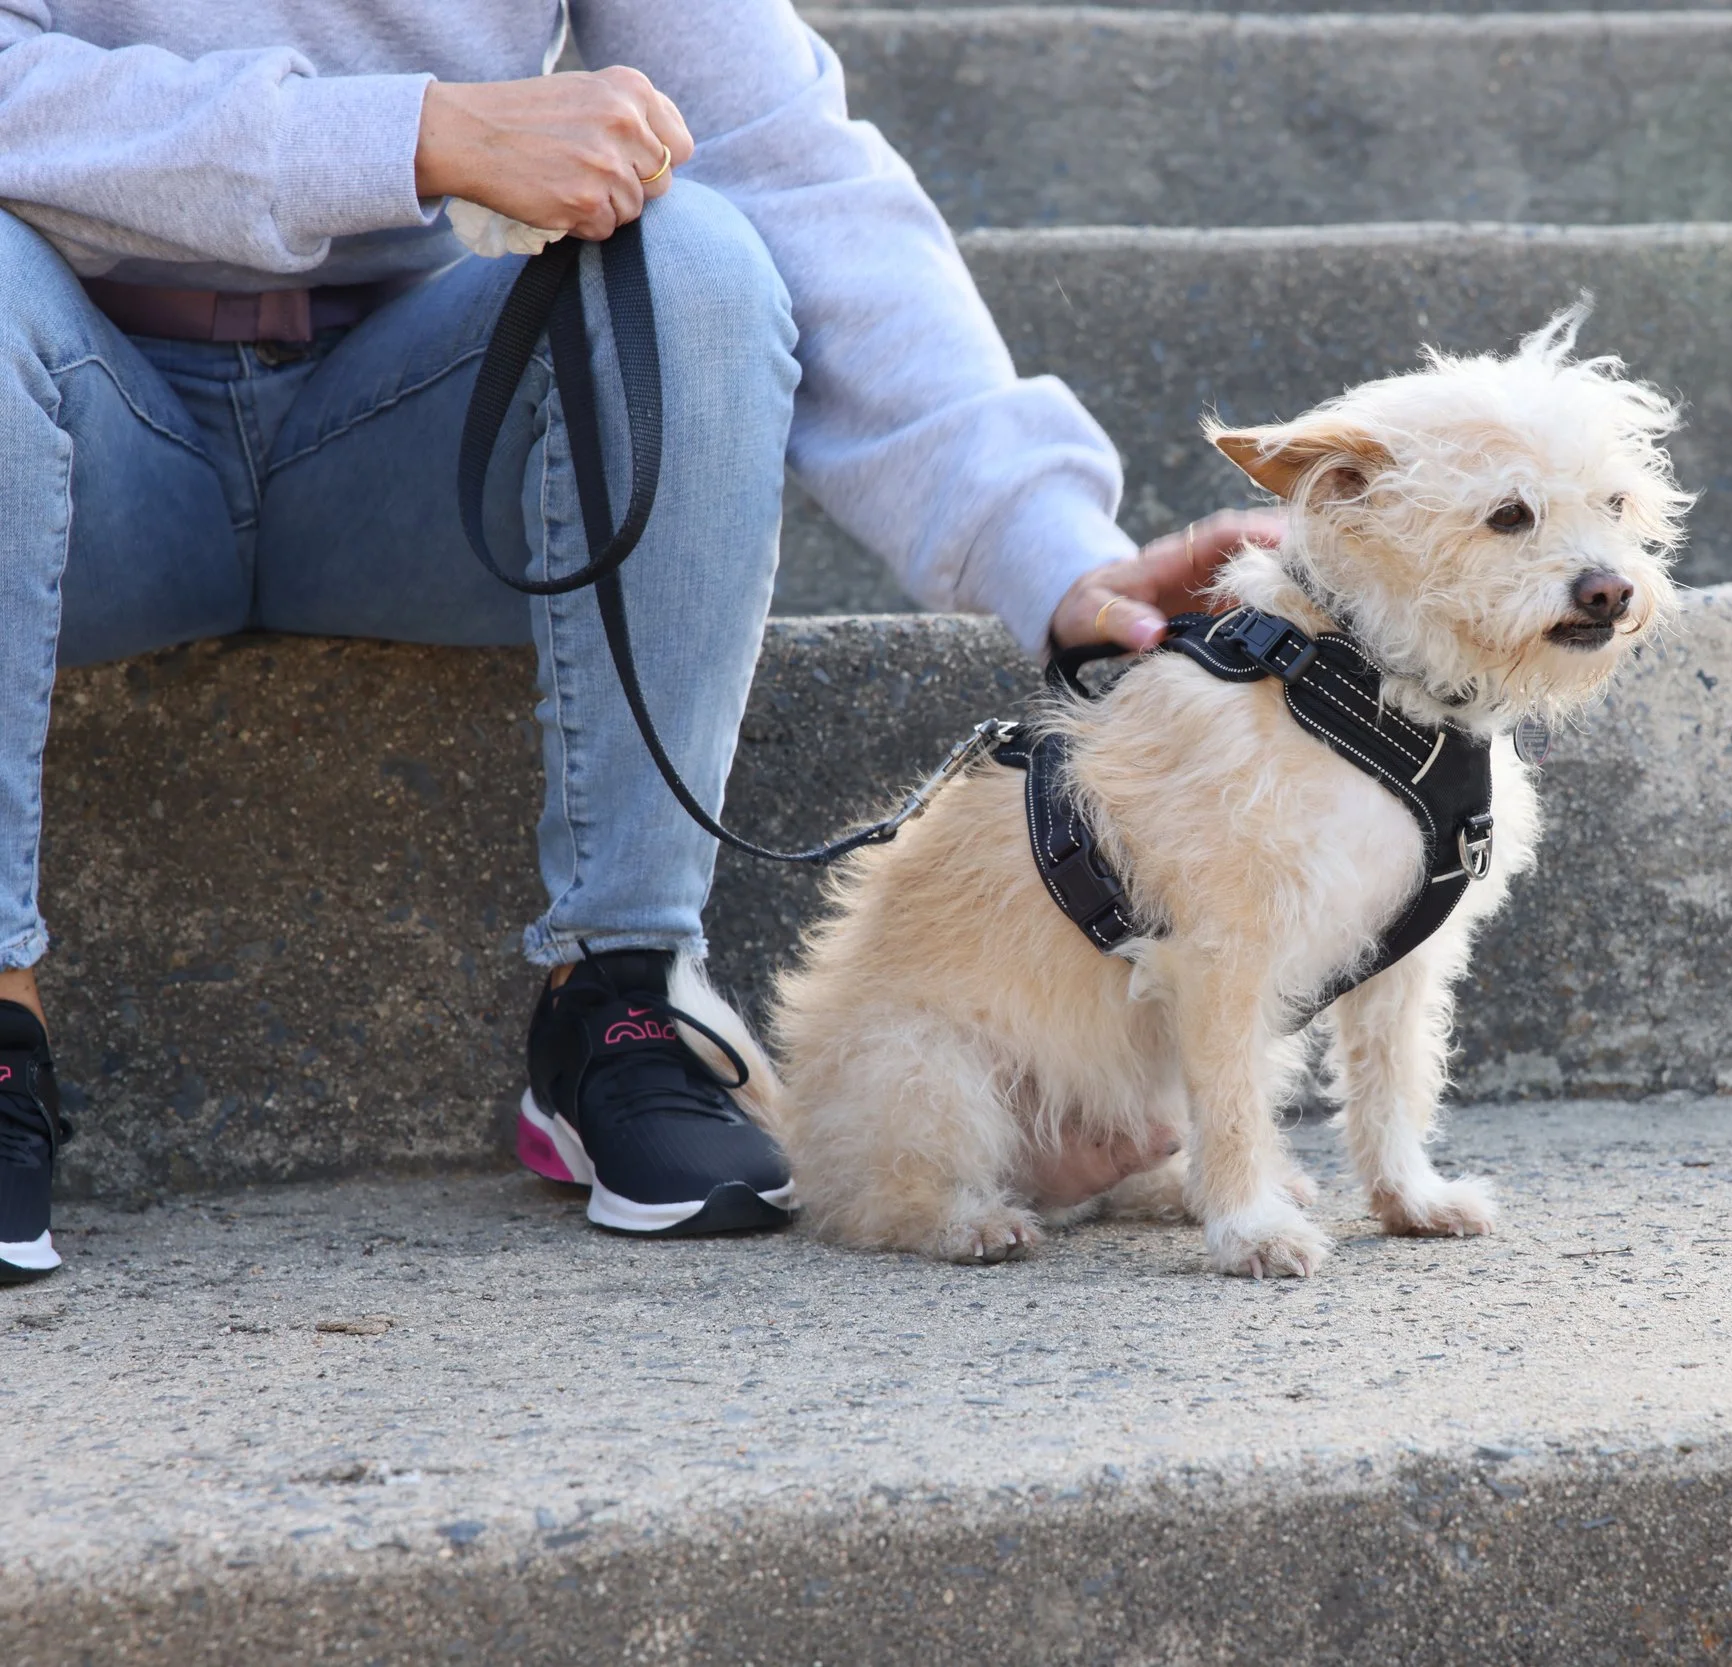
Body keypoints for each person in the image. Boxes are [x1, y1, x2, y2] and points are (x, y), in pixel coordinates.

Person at [0, 0, 1279, 1280]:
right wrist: (411, 131)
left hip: (417, 445)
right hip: (73, 427)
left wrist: (1052, 549)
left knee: (699, 253)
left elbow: (785, 157)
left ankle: (621, 990)